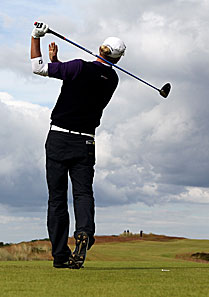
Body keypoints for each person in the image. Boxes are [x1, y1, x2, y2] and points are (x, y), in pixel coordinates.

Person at [30, 22, 126, 269]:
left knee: (57, 199)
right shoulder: (112, 79)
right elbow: (85, 81)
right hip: (85, 141)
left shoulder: (77, 67)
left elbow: (37, 68)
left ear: (100, 49)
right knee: (83, 194)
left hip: (59, 138)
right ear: (118, 58)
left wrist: (35, 37)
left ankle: (60, 255)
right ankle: (84, 233)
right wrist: (60, 63)